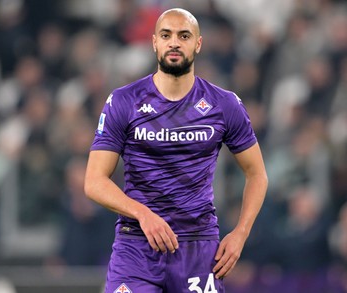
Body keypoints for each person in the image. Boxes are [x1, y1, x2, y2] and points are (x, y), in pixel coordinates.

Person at [84, 8, 268, 293]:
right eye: (166, 35)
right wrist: (143, 214)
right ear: (154, 42)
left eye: (184, 36)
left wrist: (240, 234)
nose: (174, 43)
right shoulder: (124, 101)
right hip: (137, 245)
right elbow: (94, 181)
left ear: (198, 44)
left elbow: (257, 174)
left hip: (198, 246)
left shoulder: (224, 104)